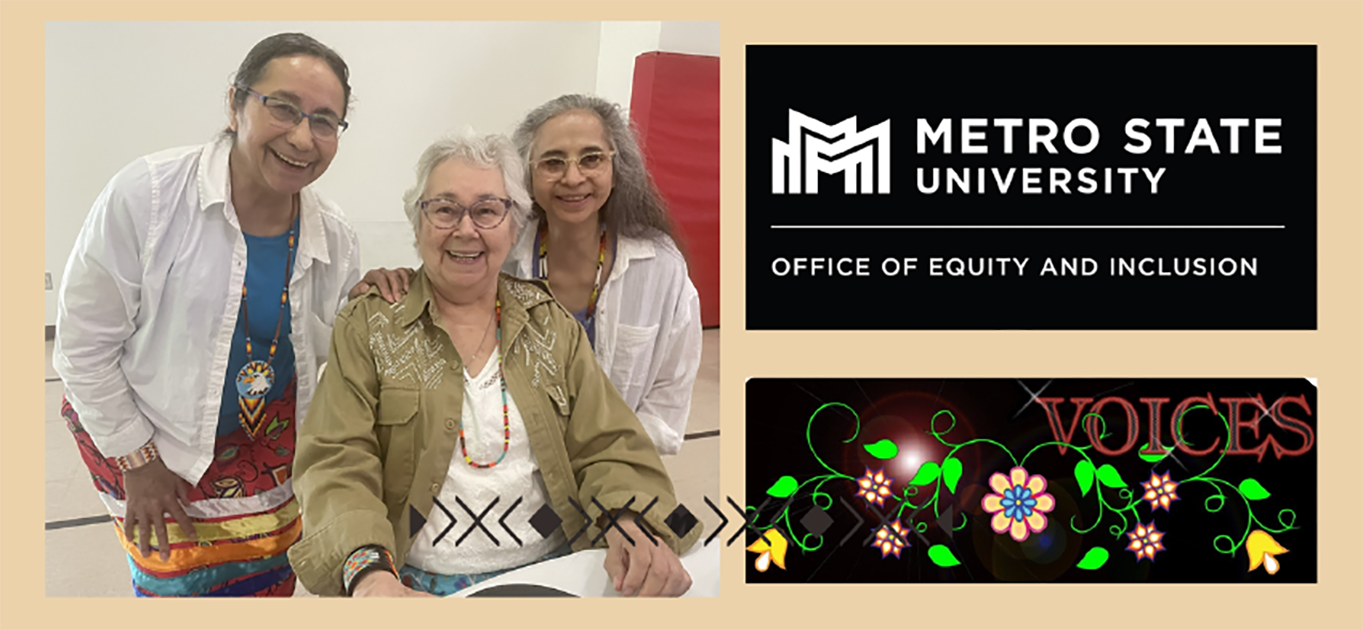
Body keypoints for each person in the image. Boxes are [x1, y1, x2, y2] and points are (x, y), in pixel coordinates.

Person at [287, 132, 701, 598]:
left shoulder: (550, 324)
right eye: (444, 209)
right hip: (413, 584)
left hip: (552, 571)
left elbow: (608, 443)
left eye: (486, 210)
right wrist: (368, 574)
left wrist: (629, 519)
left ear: (513, 224)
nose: (466, 229)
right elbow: (336, 461)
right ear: (417, 223)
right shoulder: (370, 325)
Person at [53, 32, 384, 597]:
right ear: (234, 104)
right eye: (283, 108)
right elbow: (83, 349)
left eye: (326, 121)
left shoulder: (334, 233)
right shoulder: (148, 197)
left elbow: (333, 343)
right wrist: (140, 464)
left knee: (268, 580)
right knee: (176, 587)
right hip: (150, 440)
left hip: (266, 452)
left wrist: (372, 296)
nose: (303, 137)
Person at [359, 94, 703, 456]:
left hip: (621, 462)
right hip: (516, 466)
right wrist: (394, 280)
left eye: (592, 159)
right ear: (528, 174)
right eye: (553, 162)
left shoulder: (660, 267)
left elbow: (668, 397)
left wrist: (606, 461)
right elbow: (443, 286)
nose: (573, 177)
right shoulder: (499, 250)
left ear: (617, 169)